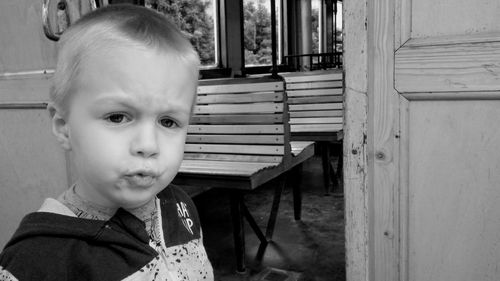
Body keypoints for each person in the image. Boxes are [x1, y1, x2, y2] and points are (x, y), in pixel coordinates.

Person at [0, 4, 213, 280]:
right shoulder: (37, 260)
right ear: (64, 127)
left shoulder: (179, 206)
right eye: (117, 117)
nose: (148, 146)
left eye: (168, 122)